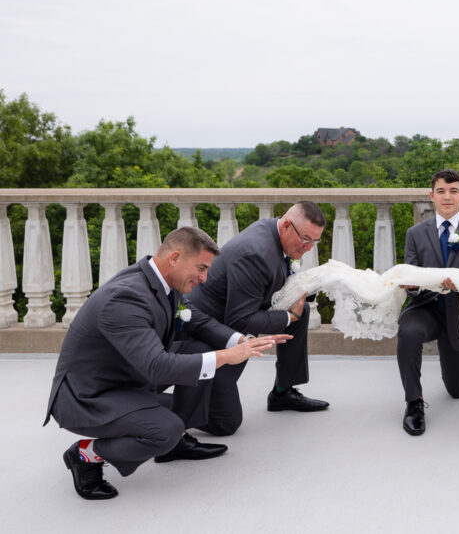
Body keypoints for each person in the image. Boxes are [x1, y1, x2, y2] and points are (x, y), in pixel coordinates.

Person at [44, 227, 289, 500]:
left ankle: (175, 444)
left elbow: (197, 320)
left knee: (199, 349)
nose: (204, 278)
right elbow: (157, 367)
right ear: (175, 258)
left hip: (127, 378)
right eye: (201, 268)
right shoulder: (125, 297)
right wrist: (226, 357)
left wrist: (240, 341)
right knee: (165, 428)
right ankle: (86, 455)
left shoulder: (164, 283)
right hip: (88, 396)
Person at [180, 201, 329, 436]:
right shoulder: (256, 253)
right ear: (287, 226)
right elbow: (241, 319)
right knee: (226, 423)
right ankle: (153, 407)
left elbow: (273, 282)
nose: (309, 247)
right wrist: (289, 317)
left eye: (315, 241)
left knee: (303, 312)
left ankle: (283, 391)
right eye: (306, 239)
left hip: (234, 315)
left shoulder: (274, 231)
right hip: (210, 334)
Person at [396, 169, 459, 436]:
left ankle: (457, 372)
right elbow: (411, 272)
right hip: (425, 308)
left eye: (453, 191)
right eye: (441, 191)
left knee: (456, 391)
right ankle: (413, 403)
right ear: (432, 195)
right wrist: (412, 286)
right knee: (408, 332)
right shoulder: (415, 233)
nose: (447, 196)